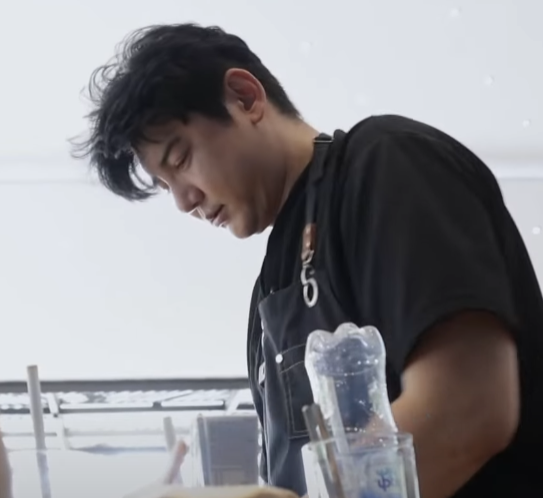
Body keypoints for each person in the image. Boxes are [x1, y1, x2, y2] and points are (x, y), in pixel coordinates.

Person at [73, 23, 543, 498]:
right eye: (165, 186)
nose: (184, 201)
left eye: (180, 160)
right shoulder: (270, 287)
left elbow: (467, 409)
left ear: (245, 98)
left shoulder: (385, 164)